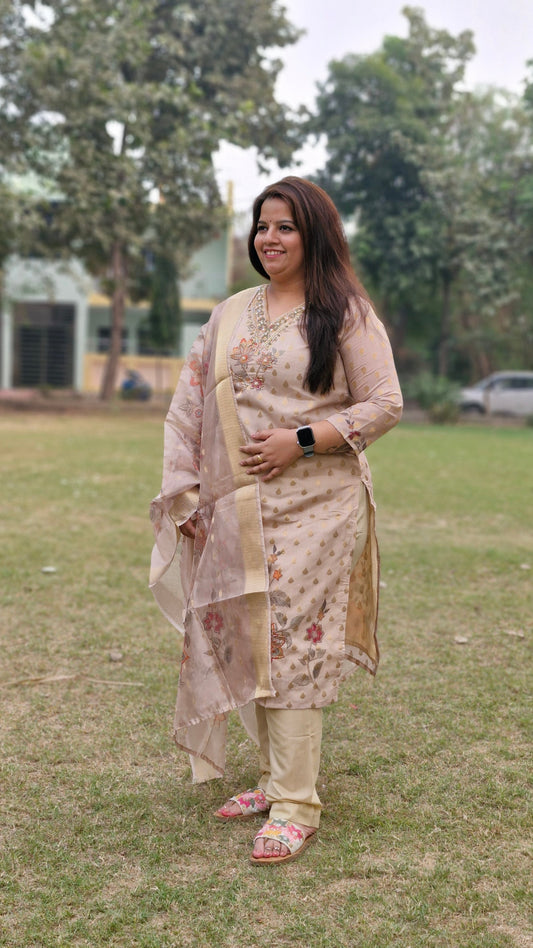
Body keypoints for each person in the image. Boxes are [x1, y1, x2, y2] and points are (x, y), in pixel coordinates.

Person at [150, 176, 402, 865]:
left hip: (316, 507)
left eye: (285, 226)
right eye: (262, 226)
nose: (270, 238)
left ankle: (296, 803)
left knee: (292, 642)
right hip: (235, 508)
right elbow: (188, 405)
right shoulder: (230, 312)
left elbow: (384, 402)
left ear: (314, 234)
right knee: (248, 636)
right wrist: (187, 493)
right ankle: (269, 781)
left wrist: (302, 439)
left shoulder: (343, 312)